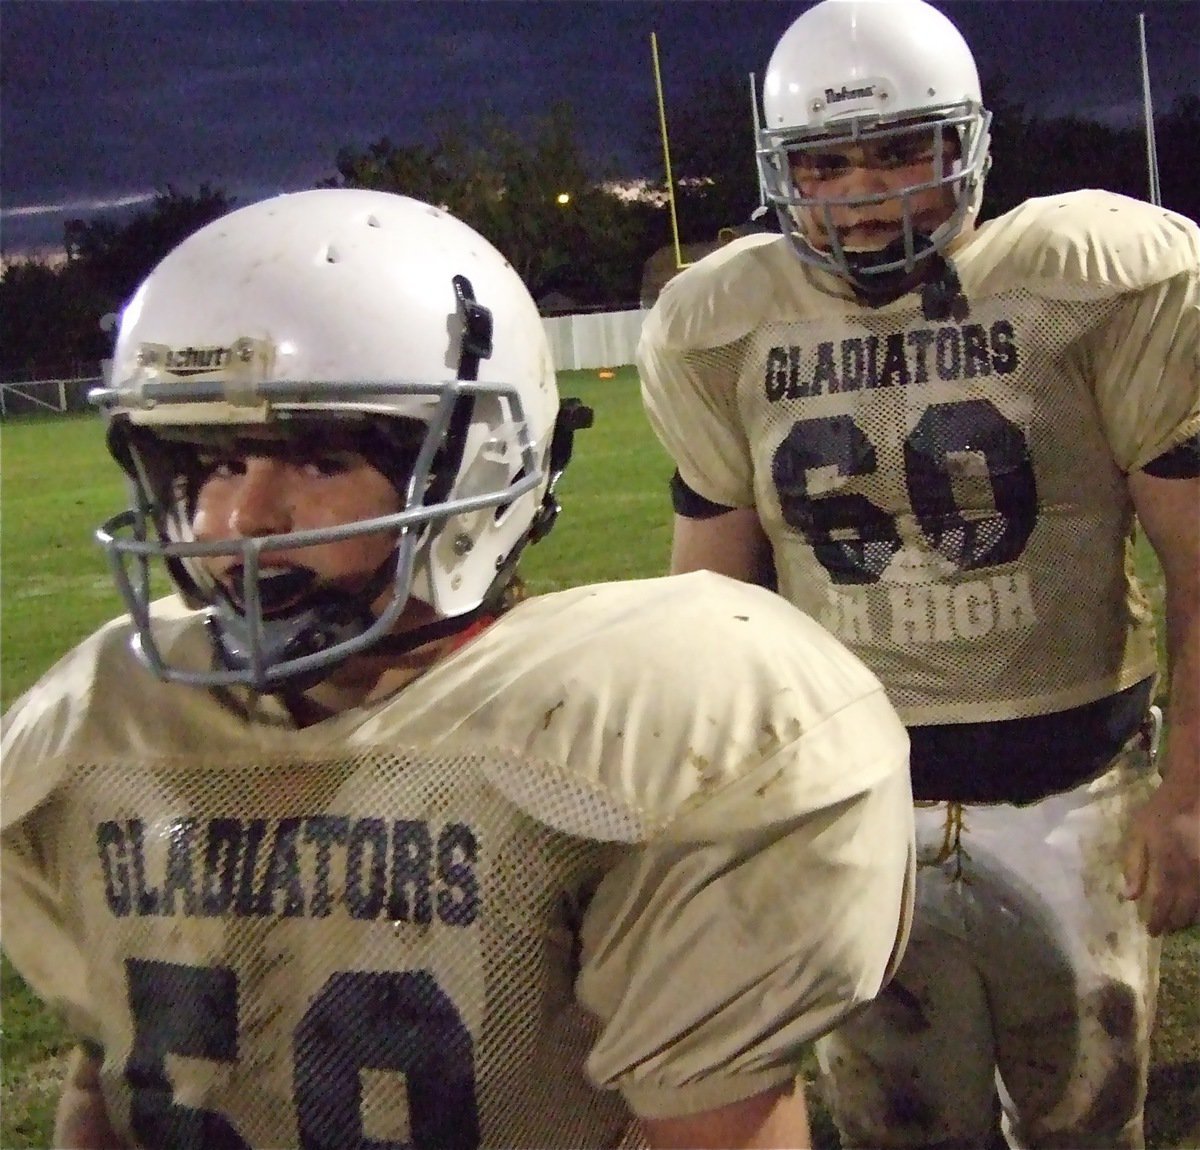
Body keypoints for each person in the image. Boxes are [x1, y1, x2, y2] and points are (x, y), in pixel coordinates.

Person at [0, 187, 916, 1150]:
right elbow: (113, 1077)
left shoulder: (638, 733)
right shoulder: (108, 721)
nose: (244, 522)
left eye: (316, 462)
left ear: (477, 471)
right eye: (214, 464)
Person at [636, 0, 1200, 1146]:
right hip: (854, 815)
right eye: (827, 163)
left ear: (967, 146)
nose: (865, 193)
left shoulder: (1093, 281)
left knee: (1088, 1122)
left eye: (900, 151)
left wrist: (1187, 794)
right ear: (781, 173)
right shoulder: (724, 323)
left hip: (1071, 791)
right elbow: (712, 618)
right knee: (900, 1127)